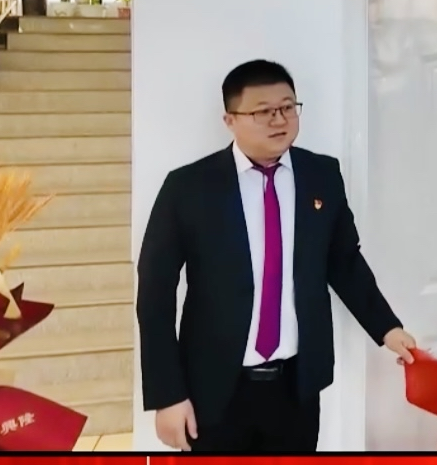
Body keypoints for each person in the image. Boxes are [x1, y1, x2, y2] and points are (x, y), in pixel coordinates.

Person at [137, 60, 417, 452]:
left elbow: (343, 261)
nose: (279, 119)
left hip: (296, 388)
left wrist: (387, 328)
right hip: (213, 389)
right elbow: (155, 293)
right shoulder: (188, 187)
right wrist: (167, 395)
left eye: (287, 107)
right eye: (263, 111)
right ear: (230, 120)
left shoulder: (321, 175)